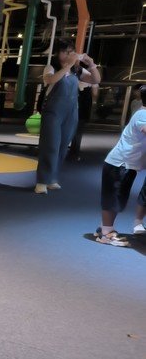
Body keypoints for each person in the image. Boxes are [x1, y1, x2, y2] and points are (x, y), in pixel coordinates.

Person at [35, 39, 100, 194]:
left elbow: (96, 80)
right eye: (64, 51)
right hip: (53, 112)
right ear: (57, 53)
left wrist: (91, 64)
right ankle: (42, 181)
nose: (68, 54)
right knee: (50, 145)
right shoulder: (52, 67)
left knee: (63, 146)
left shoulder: (78, 70)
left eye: (71, 51)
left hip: (71, 112)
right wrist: (68, 66)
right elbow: (50, 79)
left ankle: (52, 178)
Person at [95, 89, 146, 246]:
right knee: (113, 198)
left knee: (118, 199)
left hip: (126, 165)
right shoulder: (143, 114)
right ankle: (106, 234)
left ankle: (104, 228)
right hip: (120, 164)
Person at [68, 79, 98, 161]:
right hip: (84, 102)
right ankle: (74, 153)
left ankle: (60, 150)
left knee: (64, 127)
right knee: (79, 129)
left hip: (69, 100)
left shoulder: (72, 75)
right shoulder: (91, 78)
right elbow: (95, 93)